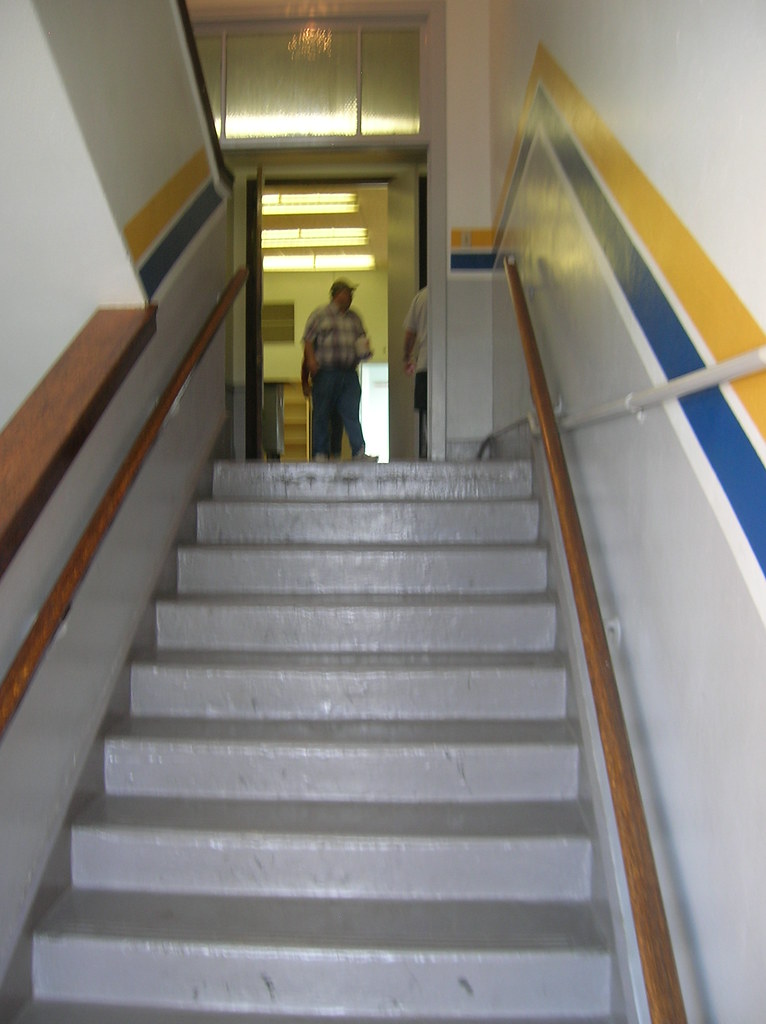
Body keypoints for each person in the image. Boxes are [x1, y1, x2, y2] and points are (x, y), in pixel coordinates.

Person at [302, 279, 377, 462]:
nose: (350, 297)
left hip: (349, 373)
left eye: (351, 294)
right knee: (322, 413)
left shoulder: (355, 318)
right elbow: (308, 340)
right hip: (326, 371)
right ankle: (320, 452)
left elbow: (361, 341)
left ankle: (358, 451)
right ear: (336, 294)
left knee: (351, 413)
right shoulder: (320, 314)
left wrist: (365, 352)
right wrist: (310, 360)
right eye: (347, 293)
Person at [301, 352, 344, 459]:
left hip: (336, 384)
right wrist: (305, 383)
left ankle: (334, 452)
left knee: (336, 421)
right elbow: (306, 362)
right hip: (321, 383)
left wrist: (305, 383)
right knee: (321, 419)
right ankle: (321, 452)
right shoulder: (316, 343)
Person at [403, 285, 428, 458]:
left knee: (426, 413)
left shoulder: (421, 298)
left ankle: (427, 452)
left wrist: (406, 358)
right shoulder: (454, 293)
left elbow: (410, 334)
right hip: (451, 366)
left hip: (425, 364)